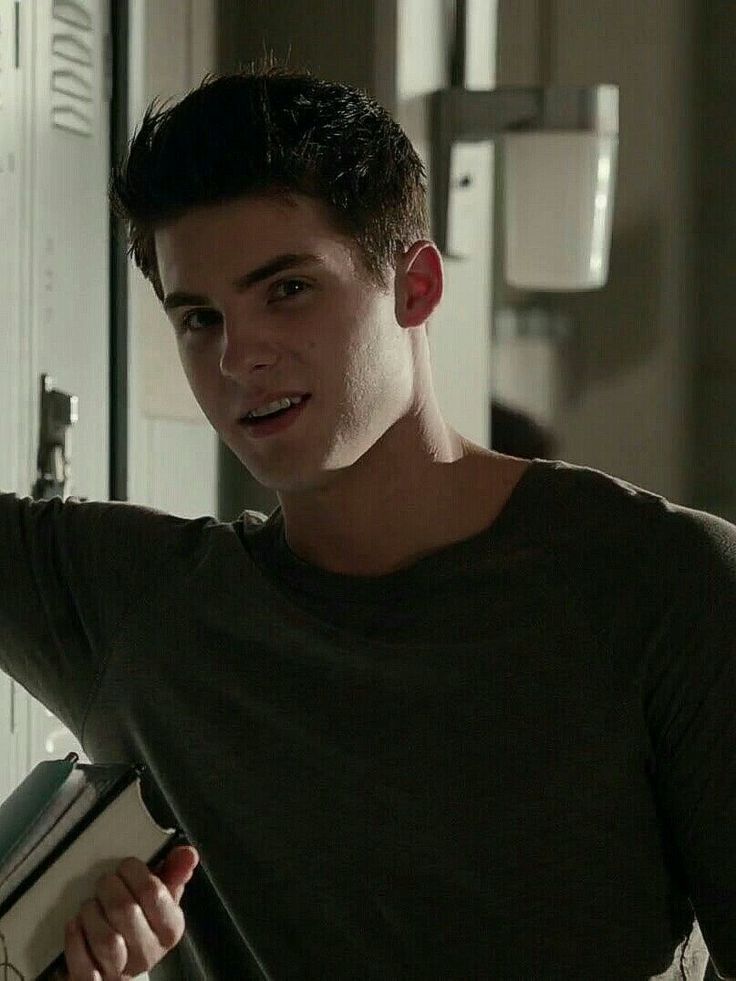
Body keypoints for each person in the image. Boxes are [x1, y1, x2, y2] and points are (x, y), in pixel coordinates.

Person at [1, 63, 734, 981]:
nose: (239, 355)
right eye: (198, 316)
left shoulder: (663, 583)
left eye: (288, 289)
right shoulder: (136, 610)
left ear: (415, 286)